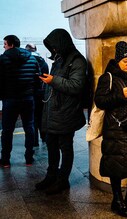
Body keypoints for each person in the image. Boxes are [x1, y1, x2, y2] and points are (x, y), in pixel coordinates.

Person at [94, 41, 127, 217]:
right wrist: (120, 95)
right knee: (116, 166)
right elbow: (100, 101)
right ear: (118, 60)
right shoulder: (108, 77)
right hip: (116, 129)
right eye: (126, 61)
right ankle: (117, 200)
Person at [34, 29, 87, 195]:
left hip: (67, 112)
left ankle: (62, 180)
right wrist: (48, 81)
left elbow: (76, 86)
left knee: (65, 147)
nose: (54, 50)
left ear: (62, 43)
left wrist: (52, 80)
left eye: (55, 47)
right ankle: (51, 176)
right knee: (51, 145)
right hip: (54, 111)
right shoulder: (58, 59)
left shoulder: (77, 61)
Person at [0, 35, 40, 167]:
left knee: (7, 130)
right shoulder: (32, 58)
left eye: (5, 44)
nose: (4, 46)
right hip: (28, 99)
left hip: (10, 99)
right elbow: (37, 78)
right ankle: (29, 158)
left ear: (10, 44)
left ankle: (5, 160)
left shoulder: (3, 59)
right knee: (29, 127)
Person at [25, 43, 49, 146]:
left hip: (30, 93)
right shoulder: (43, 62)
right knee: (41, 116)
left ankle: (34, 142)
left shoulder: (27, 61)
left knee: (32, 118)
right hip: (42, 93)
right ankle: (44, 137)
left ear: (27, 50)